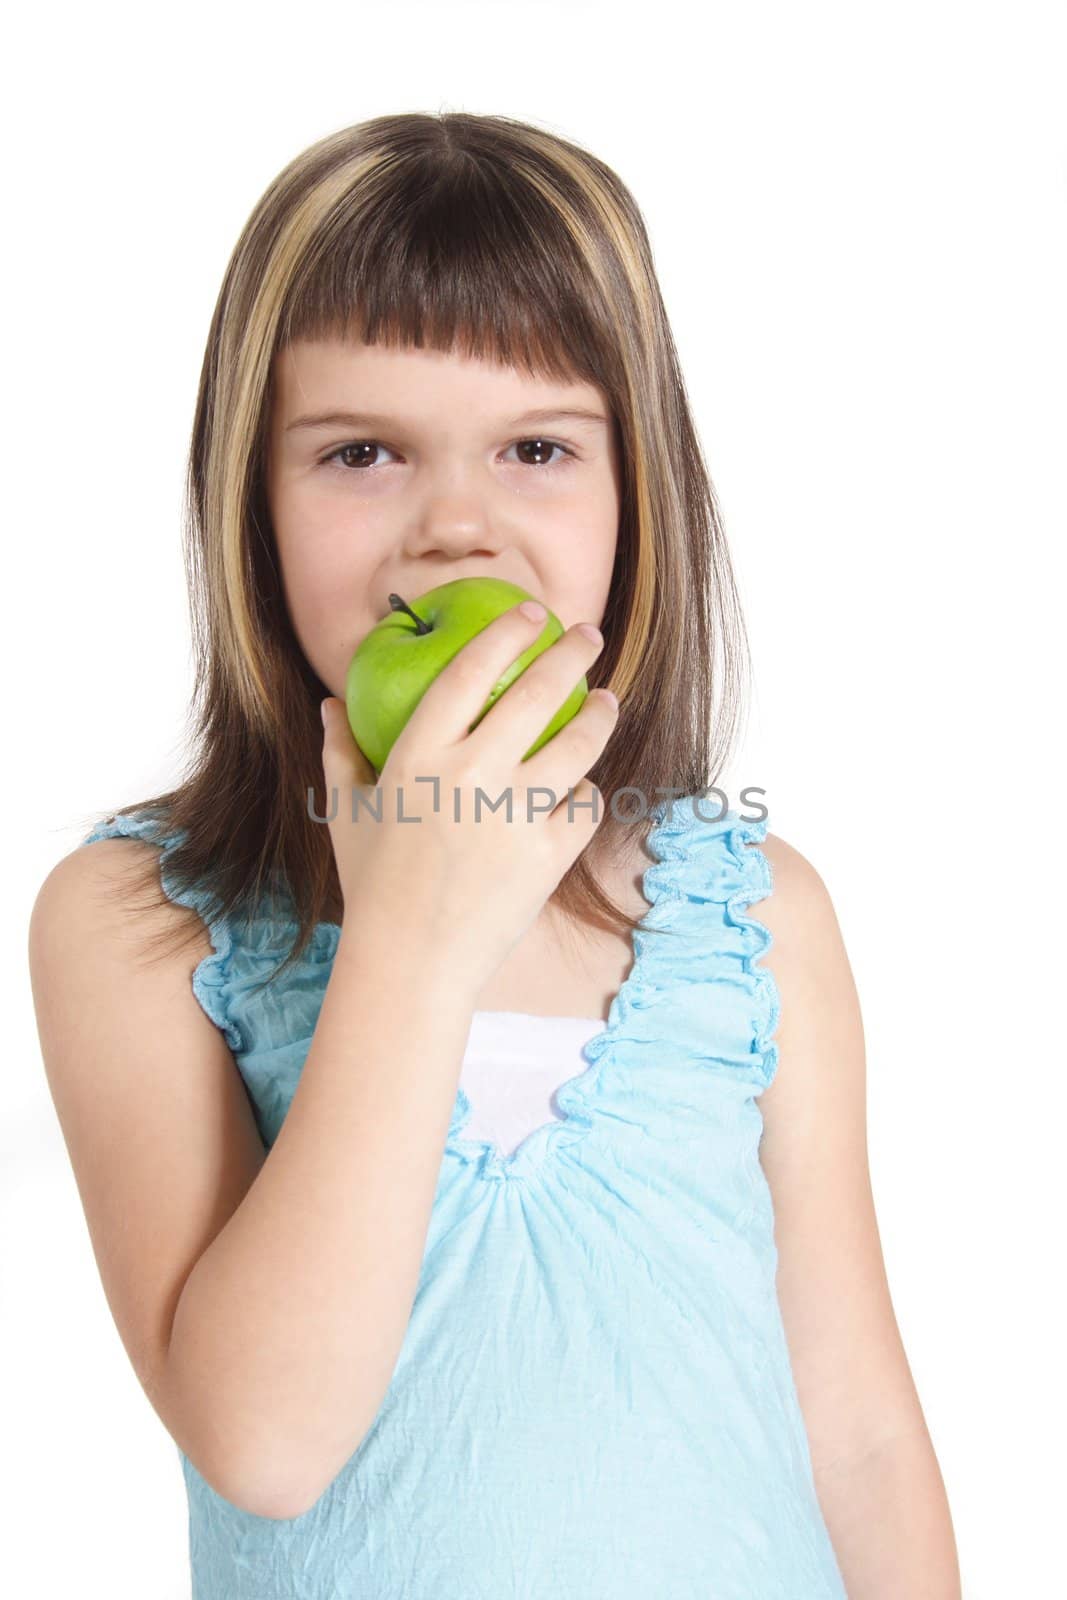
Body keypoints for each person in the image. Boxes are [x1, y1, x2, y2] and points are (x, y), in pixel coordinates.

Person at [27, 111, 960, 1597]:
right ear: (250, 506)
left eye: (537, 447)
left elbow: (858, 1438)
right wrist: (411, 933)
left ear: (634, 497)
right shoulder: (141, 919)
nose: (454, 527)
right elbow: (264, 1444)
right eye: (360, 452)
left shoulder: (753, 915)